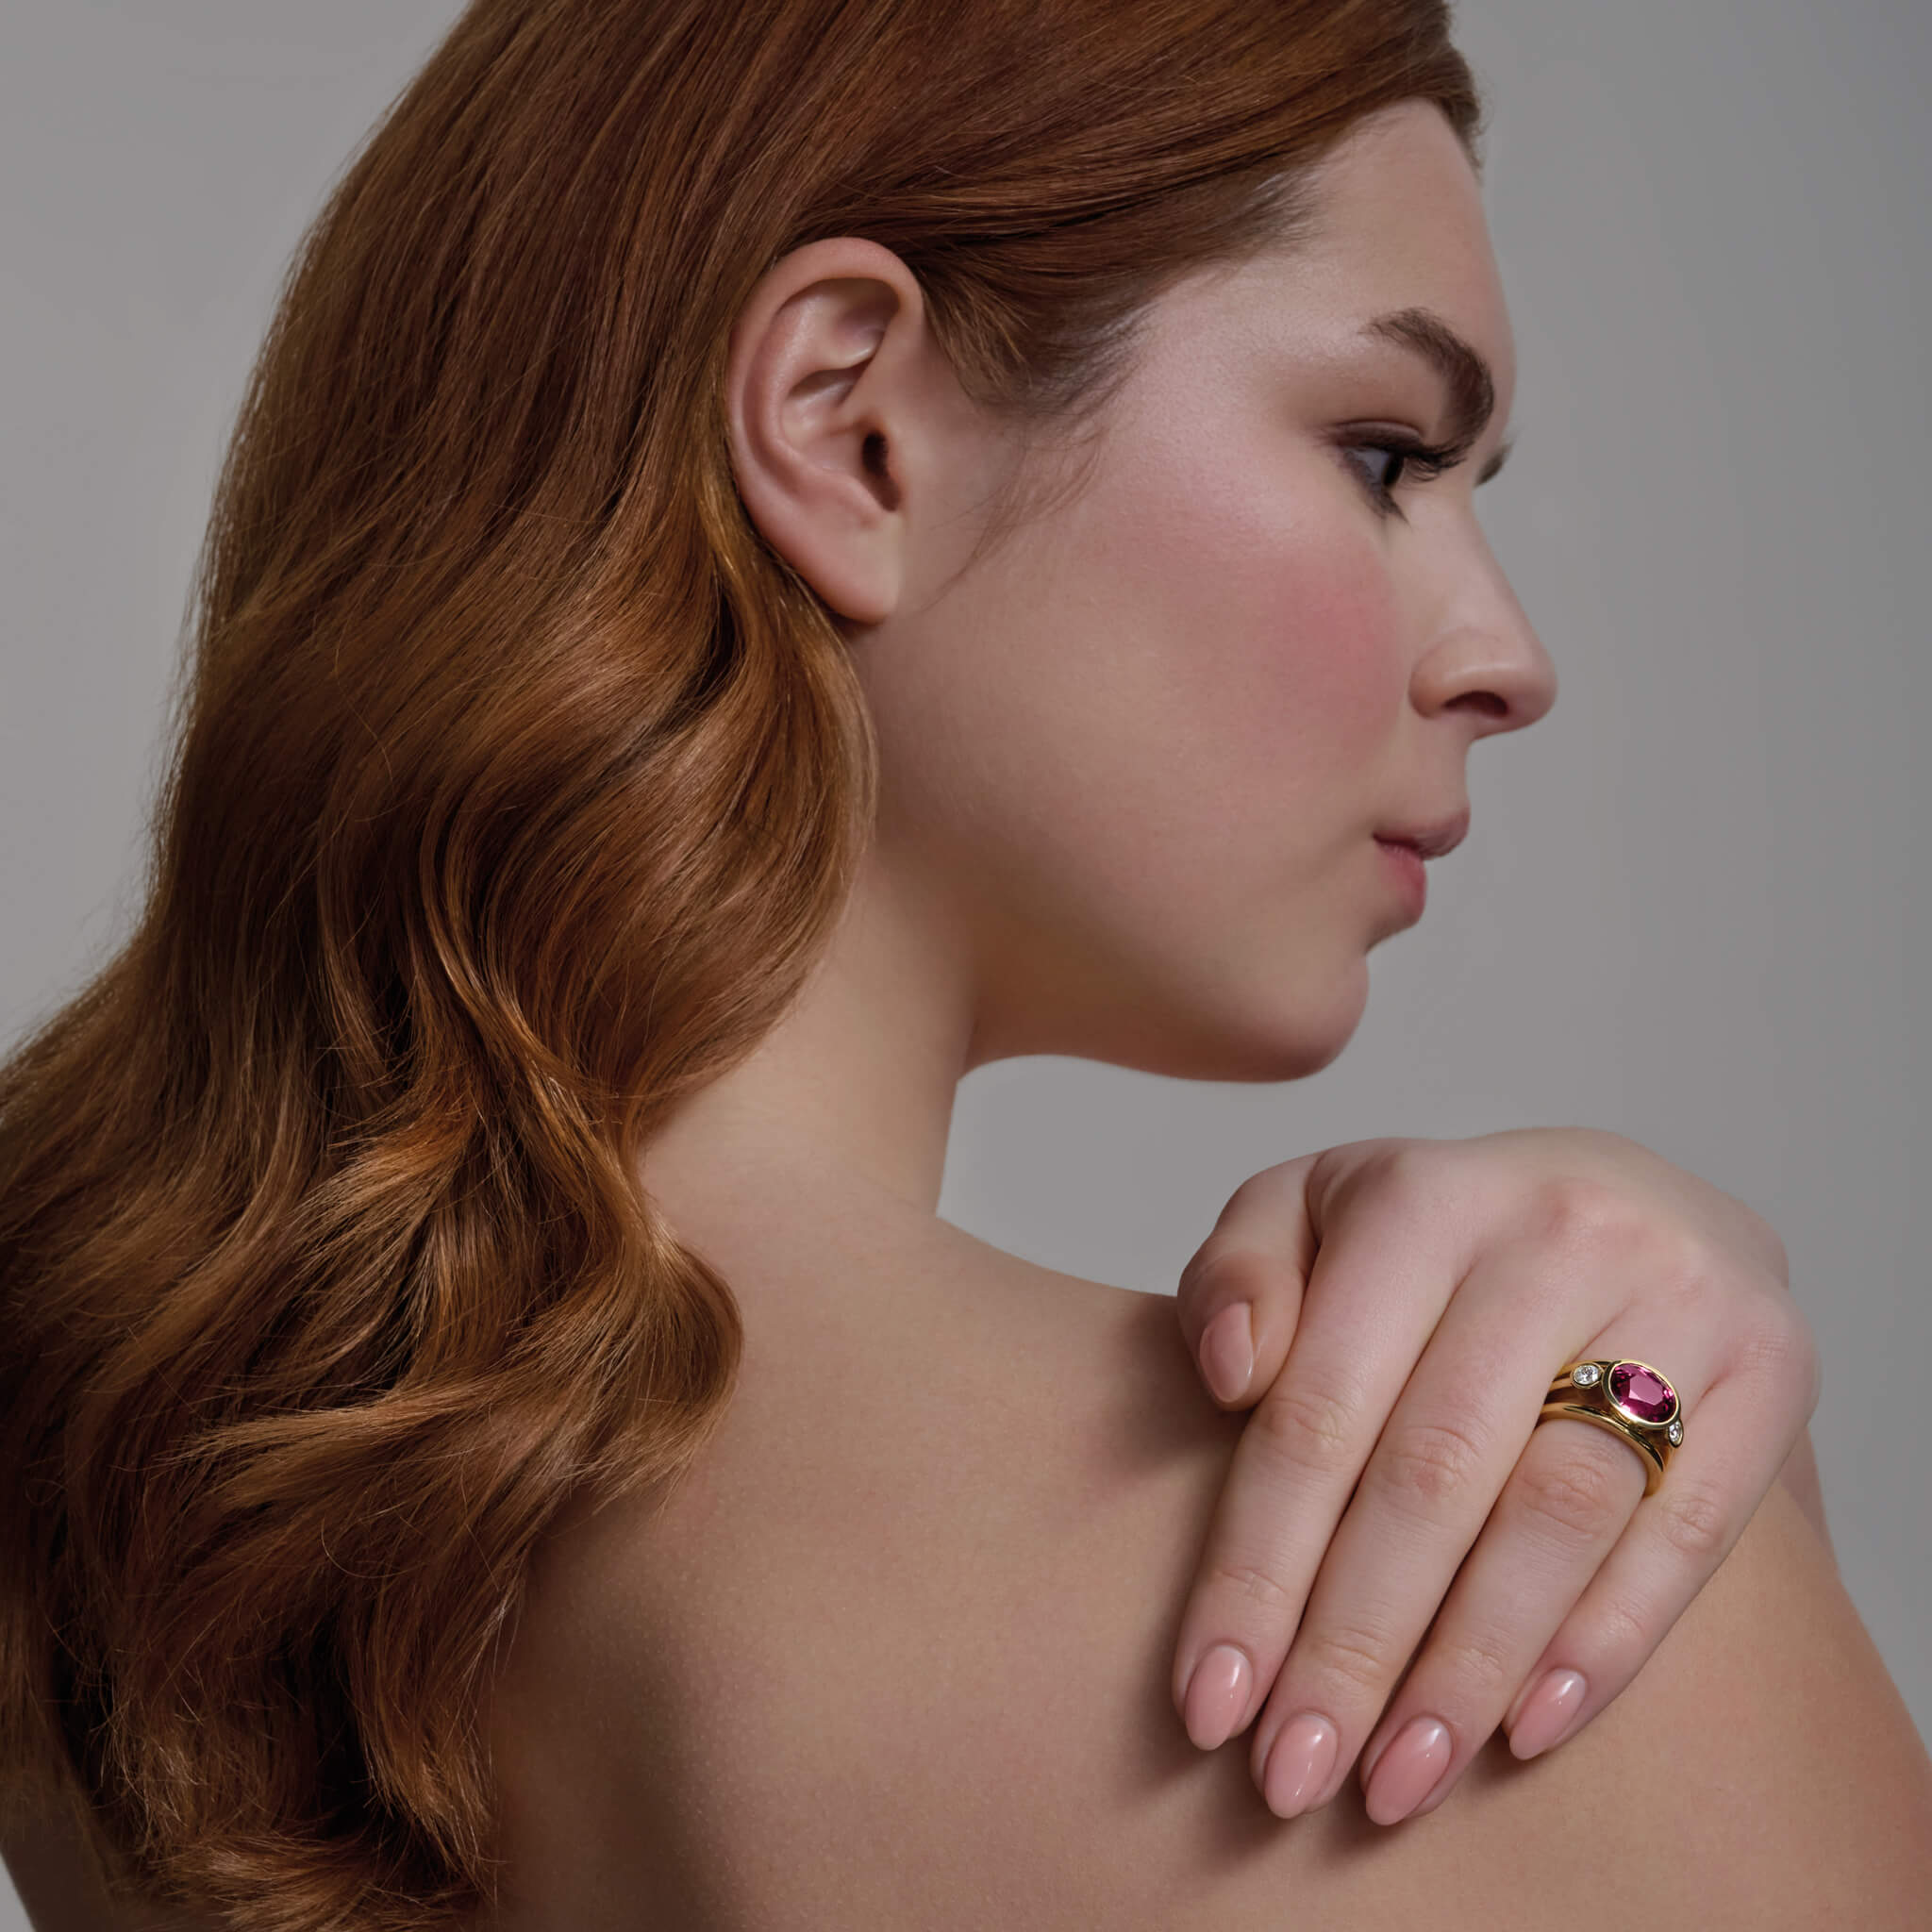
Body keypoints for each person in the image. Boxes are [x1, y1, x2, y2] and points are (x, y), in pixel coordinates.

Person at [2, 2, 1927, 1927]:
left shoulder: (94, 1485)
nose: (1508, 658)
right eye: (1384, 454)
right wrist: (1711, 1506)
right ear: (852, 428)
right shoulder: (1509, 1649)